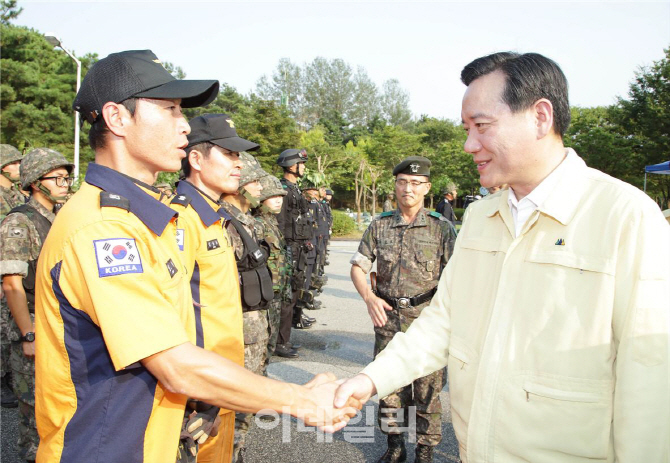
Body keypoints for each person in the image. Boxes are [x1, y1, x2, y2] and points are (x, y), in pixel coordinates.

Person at [335, 52, 670, 462]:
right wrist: (369, 380)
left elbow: (650, 373)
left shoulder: (624, 215)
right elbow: (442, 322)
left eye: (481, 126)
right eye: (466, 128)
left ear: (540, 117)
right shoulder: (480, 216)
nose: (468, 144)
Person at [33, 49, 359, 463]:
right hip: (107, 449)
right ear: (116, 118)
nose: (184, 125)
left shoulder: (143, 216)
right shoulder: (104, 229)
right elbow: (175, 364)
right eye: (169, 110)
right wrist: (302, 399)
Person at [349, 156, 456, 463]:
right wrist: (369, 297)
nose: (408, 188)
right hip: (388, 321)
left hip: (427, 322)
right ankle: (395, 445)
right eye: (402, 182)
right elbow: (358, 265)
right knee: (389, 387)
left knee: (428, 390)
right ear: (395, 185)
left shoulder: (442, 229)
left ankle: (426, 450)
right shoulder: (380, 225)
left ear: (426, 188)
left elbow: (456, 278)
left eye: (415, 183)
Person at [169, 113, 259, 463]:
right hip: (199, 391)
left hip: (220, 381)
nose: (239, 164)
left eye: (238, 156)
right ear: (195, 159)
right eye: (229, 154)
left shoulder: (213, 214)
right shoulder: (181, 219)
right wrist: (198, 396)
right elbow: (176, 310)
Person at [1, 148, 73, 463]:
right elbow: (12, 284)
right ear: (34, 182)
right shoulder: (20, 221)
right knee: (35, 414)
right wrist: (28, 334)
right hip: (32, 323)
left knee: (59, 406)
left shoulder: (59, 216)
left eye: (66, 177)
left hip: (57, 320)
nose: (65, 183)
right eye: (56, 178)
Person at [219, 152, 274, 463]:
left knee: (247, 398)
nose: (259, 188)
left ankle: (236, 449)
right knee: (233, 399)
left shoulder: (248, 222)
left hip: (255, 322)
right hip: (236, 327)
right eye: (253, 182)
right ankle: (229, 451)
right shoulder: (221, 221)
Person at [252, 175, 294, 359]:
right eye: (273, 196)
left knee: (271, 336)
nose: (279, 200)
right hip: (267, 291)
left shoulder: (272, 222)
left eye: (281, 197)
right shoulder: (258, 224)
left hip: (277, 289)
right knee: (264, 340)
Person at [276, 149, 316, 333]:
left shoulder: (295, 189)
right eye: (302, 163)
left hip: (299, 247)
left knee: (294, 293)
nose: (304, 167)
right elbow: (281, 222)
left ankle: (286, 336)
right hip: (290, 247)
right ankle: (281, 342)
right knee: (287, 296)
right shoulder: (283, 190)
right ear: (293, 165)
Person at [0, 143, 25, 410]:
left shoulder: (15, 194)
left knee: (7, 326)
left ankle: (9, 374)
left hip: (11, 261)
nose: (19, 167)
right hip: (4, 265)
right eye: (14, 163)